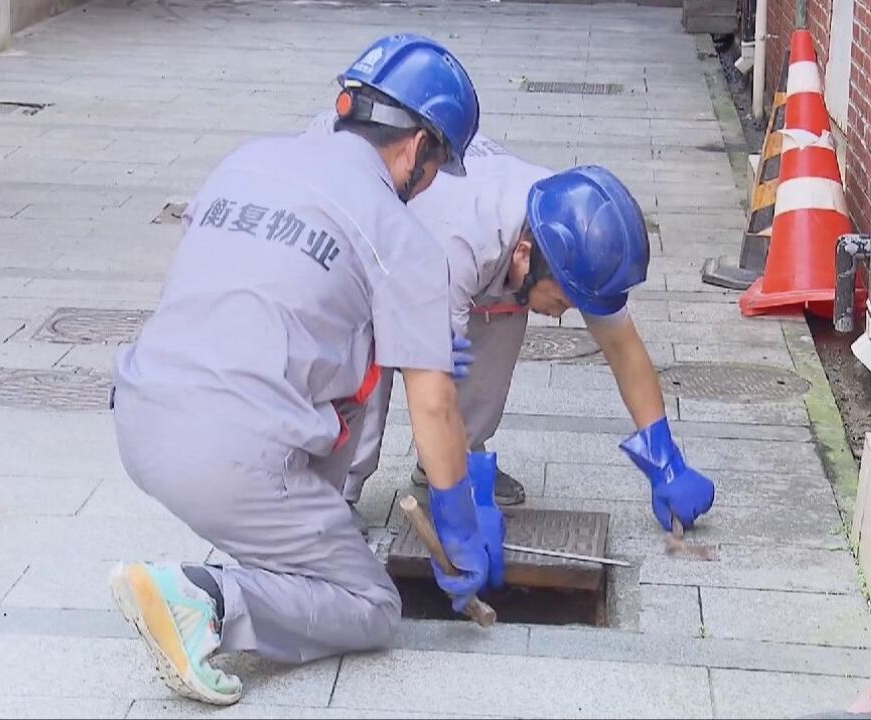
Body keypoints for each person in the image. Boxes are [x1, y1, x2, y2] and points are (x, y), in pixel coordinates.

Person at [105, 34, 504, 707]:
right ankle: (204, 599)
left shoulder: (248, 161)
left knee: (342, 372)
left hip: (139, 414)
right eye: (437, 169)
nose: (429, 186)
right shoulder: (397, 233)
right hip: (228, 459)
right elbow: (433, 404)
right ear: (416, 147)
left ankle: (274, 553)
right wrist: (459, 527)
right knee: (371, 603)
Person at [302, 113, 717, 531]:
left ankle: (452, 460)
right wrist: (459, 512)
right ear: (523, 253)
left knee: (503, 316)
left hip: (470, 241)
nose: (562, 315)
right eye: (560, 300)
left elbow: (623, 348)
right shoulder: (460, 249)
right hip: (359, 230)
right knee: (371, 348)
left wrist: (665, 461)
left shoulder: (571, 231)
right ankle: (334, 493)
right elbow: (430, 387)